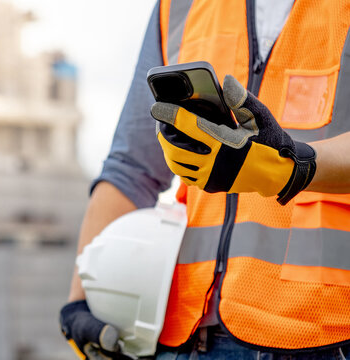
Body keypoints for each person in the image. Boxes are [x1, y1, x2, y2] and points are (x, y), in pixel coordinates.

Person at [60, 0, 350, 359]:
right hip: (184, 334)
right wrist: (81, 297)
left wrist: (293, 166)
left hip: (325, 333)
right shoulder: (178, 6)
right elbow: (132, 168)